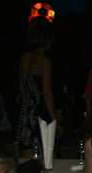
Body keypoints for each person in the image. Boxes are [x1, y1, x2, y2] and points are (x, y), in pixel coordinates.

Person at [15, 18, 55, 157]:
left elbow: (22, 88)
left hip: (24, 112)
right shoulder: (44, 61)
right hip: (39, 113)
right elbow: (46, 91)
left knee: (25, 155)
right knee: (44, 156)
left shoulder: (24, 58)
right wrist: (53, 119)